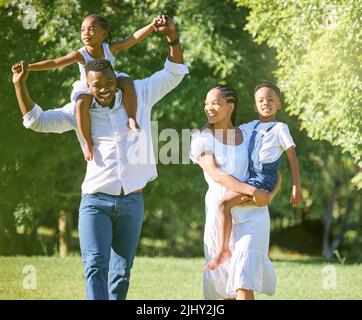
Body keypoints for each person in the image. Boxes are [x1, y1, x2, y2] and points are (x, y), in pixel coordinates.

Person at [12, 15, 188, 300]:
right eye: (97, 86)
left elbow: (174, 72)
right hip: (95, 201)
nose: (105, 89)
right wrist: (20, 85)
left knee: (121, 273)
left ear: (116, 80)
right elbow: (37, 121)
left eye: (109, 83)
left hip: (132, 200)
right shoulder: (78, 109)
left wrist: (172, 37)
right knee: (95, 266)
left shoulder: (139, 93)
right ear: (87, 86)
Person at [16, 14, 161, 161]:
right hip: (89, 87)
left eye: (91, 29)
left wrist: (152, 26)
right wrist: (29, 67)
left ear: (104, 33)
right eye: (82, 30)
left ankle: (131, 118)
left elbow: (132, 39)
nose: (86, 33)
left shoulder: (110, 48)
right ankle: (87, 143)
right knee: (81, 102)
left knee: (127, 81)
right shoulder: (80, 54)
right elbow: (55, 62)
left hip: (109, 82)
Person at [190, 84, 280, 300]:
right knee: (224, 287)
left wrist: (267, 196)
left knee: (244, 280)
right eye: (207, 104)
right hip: (220, 216)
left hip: (252, 215)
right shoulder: (201, 138)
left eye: (216, 103)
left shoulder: (250, 133)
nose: (209, 108)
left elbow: (274, 171)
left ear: (230, 107)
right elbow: (217, 175)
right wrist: (253, 190)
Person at [206, 81, 302, 270]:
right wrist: (207, 129)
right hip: (251, 178)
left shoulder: (280, 128)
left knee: (224, 203)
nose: (265, 103)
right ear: (255, 105)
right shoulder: (252, 126)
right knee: (225, 204)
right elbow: (229, 129)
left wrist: (296, 186)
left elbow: (292, 157)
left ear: (279, 104)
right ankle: (225, 249)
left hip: (264, 178)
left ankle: (224, 250)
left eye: (270, 100)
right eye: (261, 100)